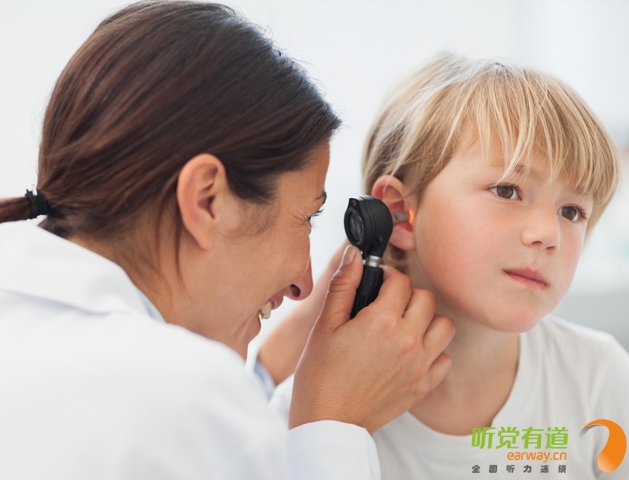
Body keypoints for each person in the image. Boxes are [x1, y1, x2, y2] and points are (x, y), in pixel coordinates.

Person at [0, 3, 457, 479]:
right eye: (307, 217)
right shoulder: (183, 398)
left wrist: (269, 377)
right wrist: (335, 425)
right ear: (207, 198)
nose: (304, 285)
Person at [270, 53, 629, 478]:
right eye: (507, 190)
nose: (548, 234)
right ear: (400, 215)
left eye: (571, 212)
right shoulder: (313, 418)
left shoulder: (599, 377)